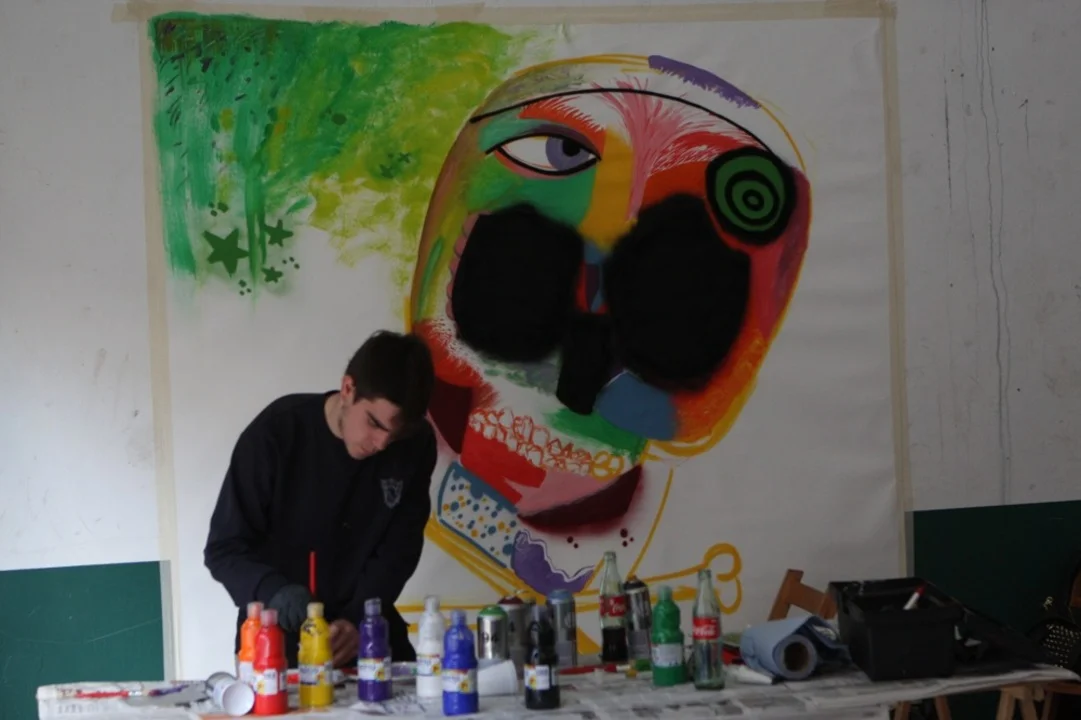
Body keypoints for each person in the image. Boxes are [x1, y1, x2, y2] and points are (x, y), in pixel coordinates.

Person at [204, 330, 437, 668]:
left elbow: (400, 548)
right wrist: (274, 592)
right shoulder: (276, 433)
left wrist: (358, 620)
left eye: (396, 433)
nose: (382, 444)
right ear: (348, 389)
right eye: (374, 423)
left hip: (369, 635)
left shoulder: (415, 444)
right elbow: (224, 549)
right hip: (279, 644)